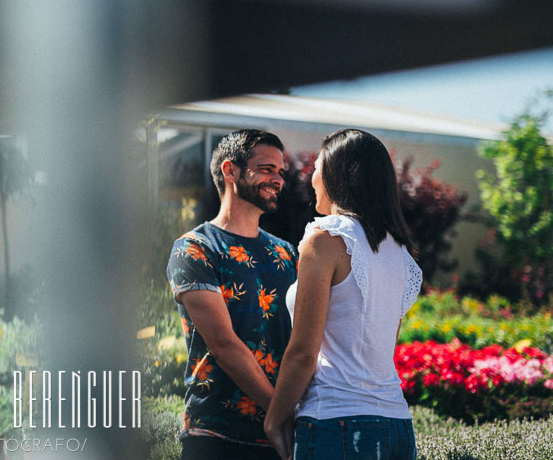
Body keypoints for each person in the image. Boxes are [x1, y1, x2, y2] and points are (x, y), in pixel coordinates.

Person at [264, 128, 423, 460]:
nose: (311, 178)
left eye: (318, 167)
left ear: (338, 173)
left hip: (337, 423)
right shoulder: (401, 254)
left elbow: (304, 352)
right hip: (397, 426)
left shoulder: (324, 239)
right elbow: (381, 351)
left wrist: (274, 419)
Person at [167, 129, 299, 460]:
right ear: (231, 171)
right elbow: (223, 344)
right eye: (267, 169)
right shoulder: (194, 249)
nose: (278, 180)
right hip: (216, 435)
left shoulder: (287, 254)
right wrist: (280, 413)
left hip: (280, 438)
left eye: (280, 172)